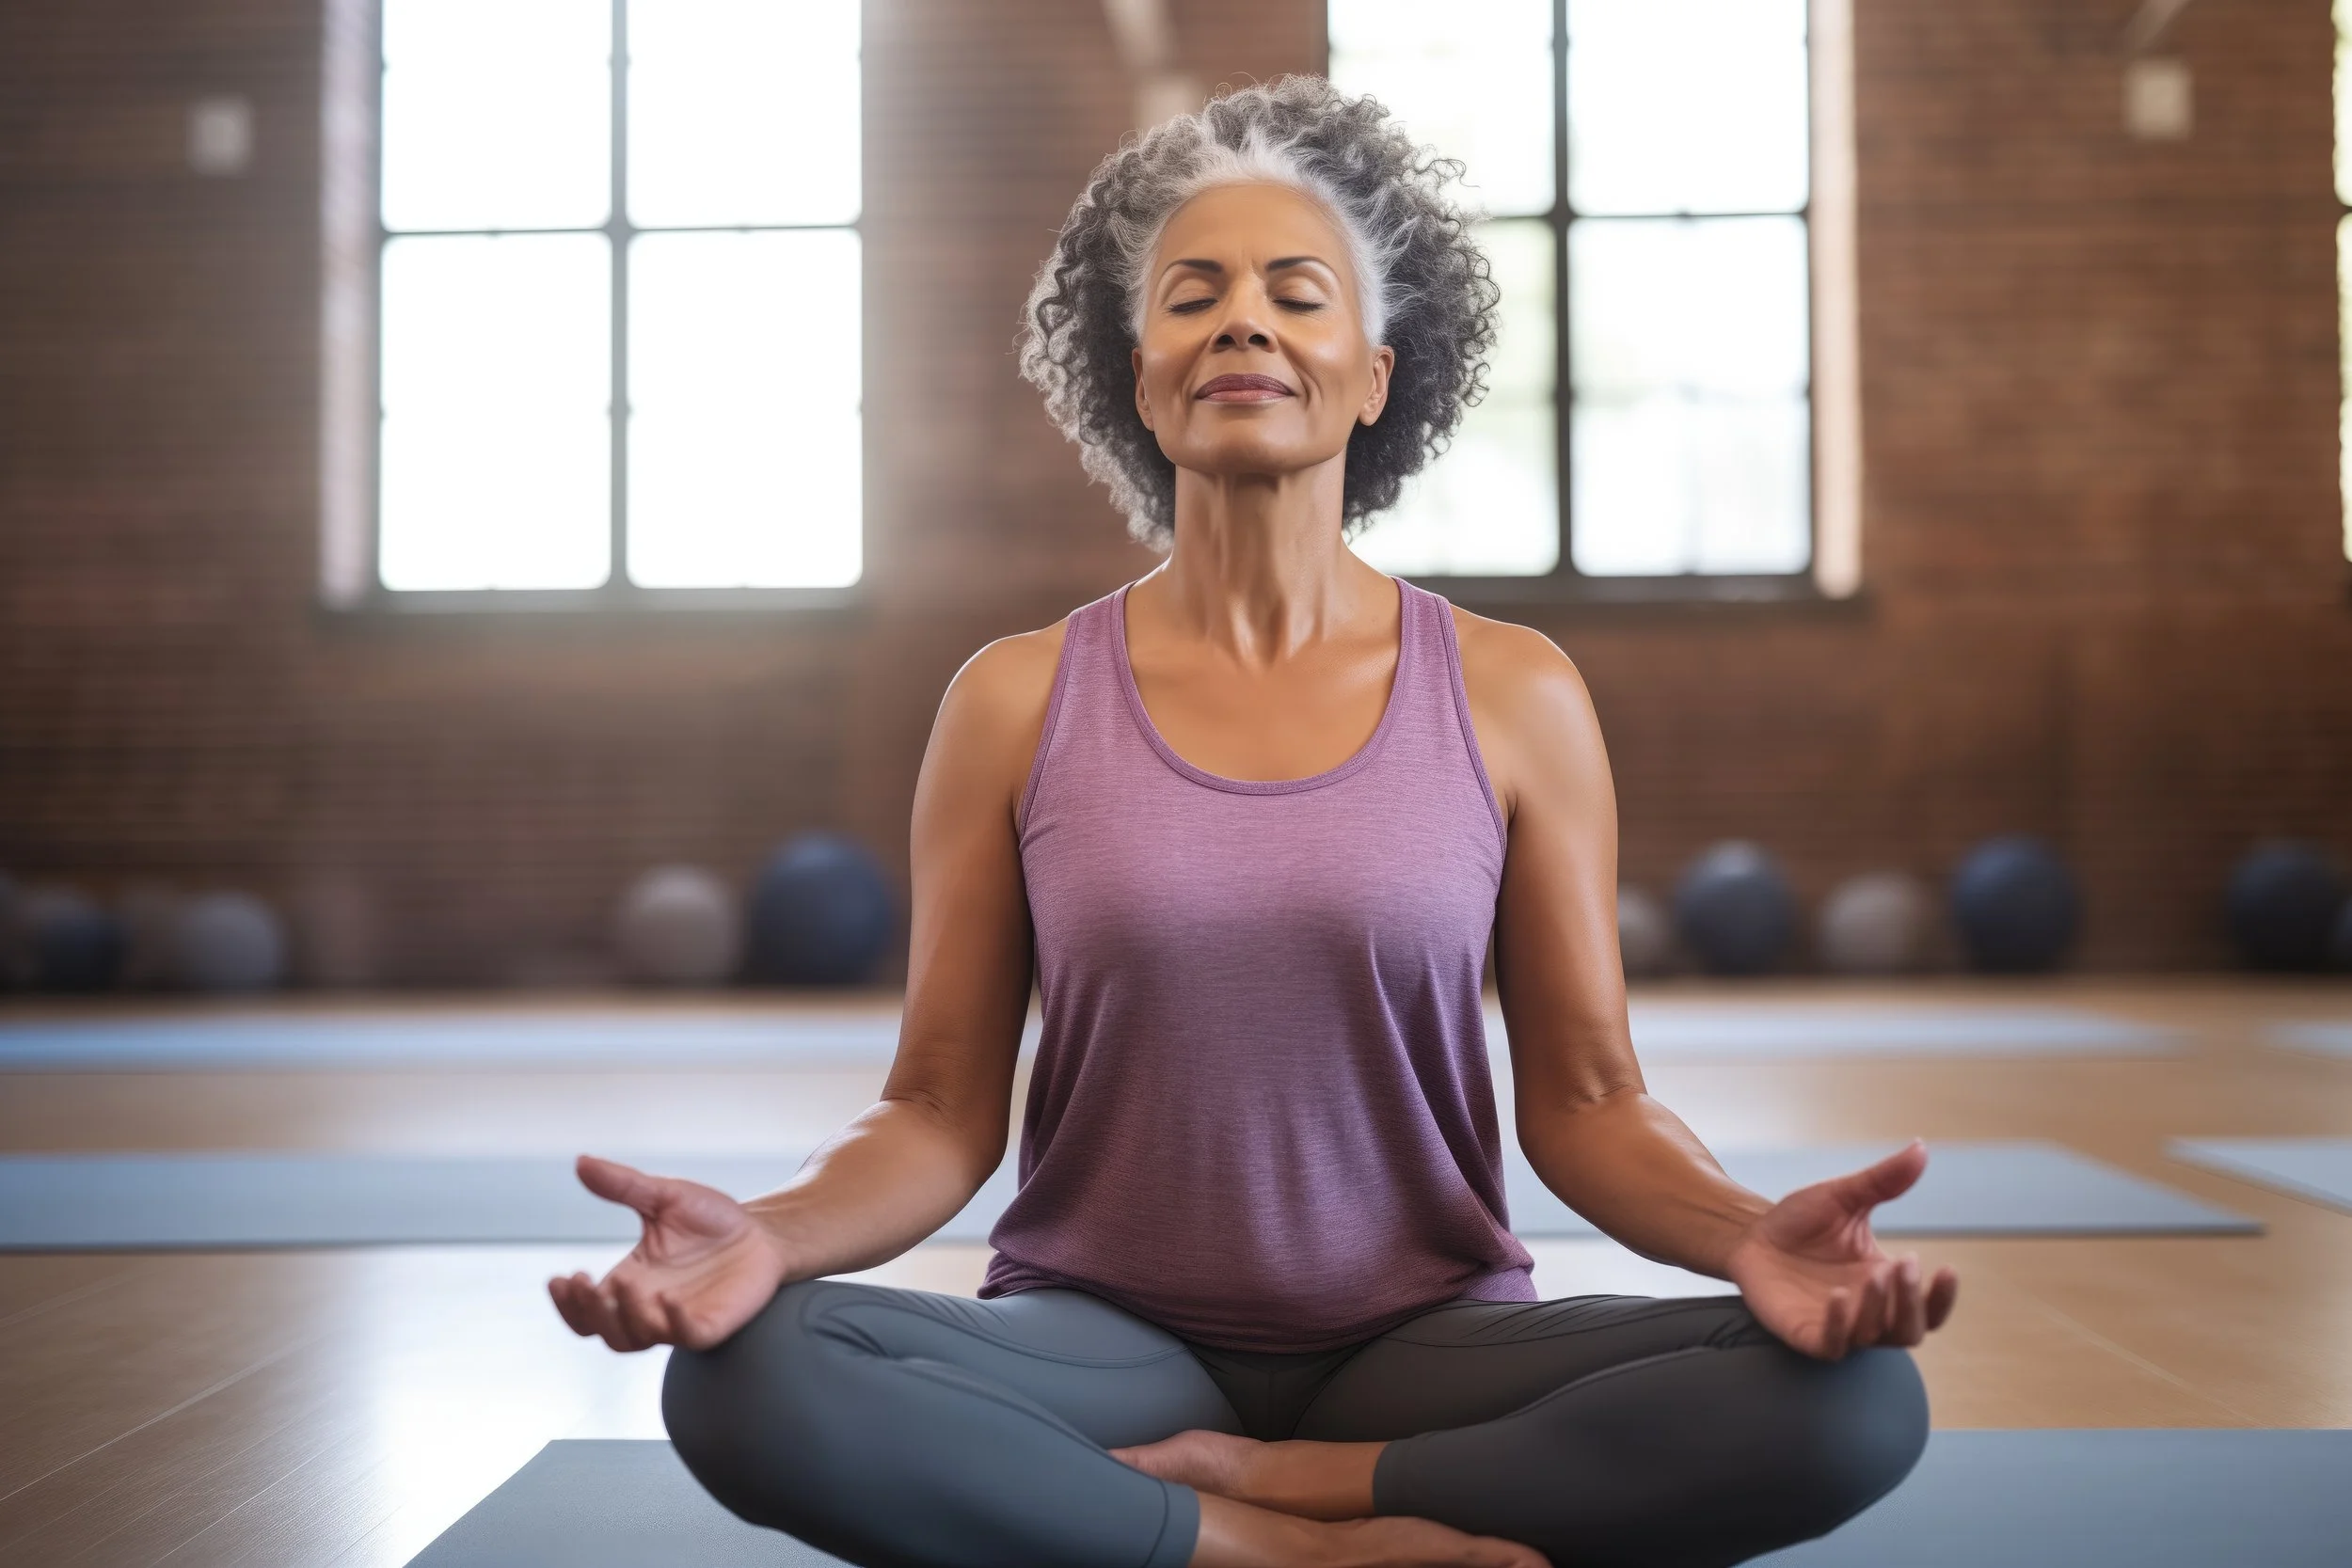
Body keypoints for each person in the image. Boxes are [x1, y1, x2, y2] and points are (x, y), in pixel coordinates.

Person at [549, 77, 1957, 1568]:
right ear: (1141, 376)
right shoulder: (1014, 699)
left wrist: (1750, 1236)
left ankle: (1313, 1487)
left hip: (1426, 1338)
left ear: (1371, 375)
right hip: (1103, 1342)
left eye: (1298, 293)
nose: (1243, 322)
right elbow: (938, 1106)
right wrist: (770, 1234)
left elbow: (1594, 1101)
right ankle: (1255, 1542)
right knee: (747, 1378)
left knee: (1858, 1400)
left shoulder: (1514, 691)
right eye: (1193, 297)